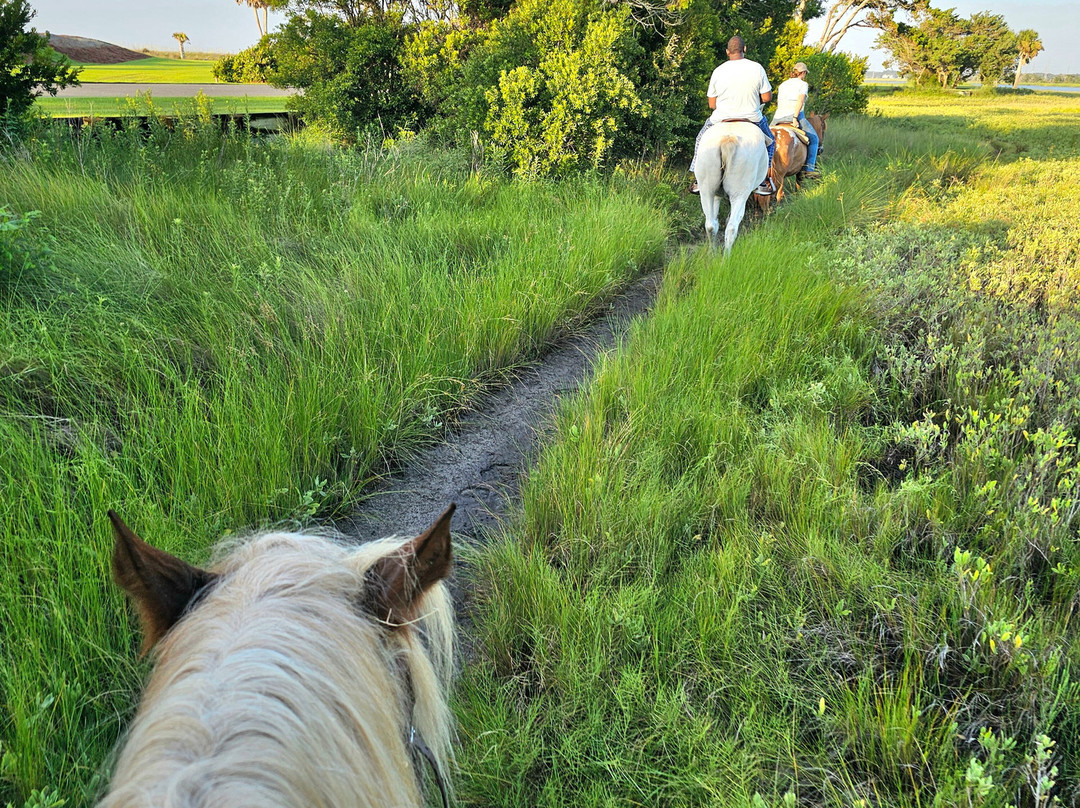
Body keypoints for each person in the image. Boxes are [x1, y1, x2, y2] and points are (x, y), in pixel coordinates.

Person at [690, 36, 774, 196]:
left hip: (721, 118)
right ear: (744, 49)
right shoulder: (757, 68)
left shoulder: (718, 71)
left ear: (727, 51)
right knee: (771, 142)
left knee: (700, 139)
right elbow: (766, 97)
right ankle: (764, 180)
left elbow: (712, 104)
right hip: (751, 118)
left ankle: (697, 178)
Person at [771, 62, 820, 178]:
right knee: (814, 139)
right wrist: (794, 118)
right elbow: (800, 101)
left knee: (766, 137)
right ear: (803, 73)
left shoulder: (783, 85)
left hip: (778, 117)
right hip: (795, 115)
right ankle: (809, 169)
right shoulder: (803, 84)